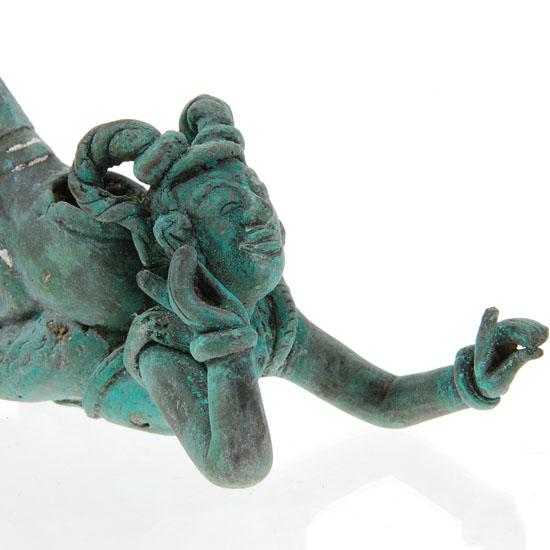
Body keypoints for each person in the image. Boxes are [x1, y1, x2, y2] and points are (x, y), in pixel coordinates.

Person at [0, 80, 547, 488]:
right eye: (228, 208)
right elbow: (239, 468)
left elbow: (381, 398)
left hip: (25, 327)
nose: (259, 218)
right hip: (35, 335)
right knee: (17, 163)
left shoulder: (268, 316)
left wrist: (469, 384)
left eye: (257, 196)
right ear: (179, 236)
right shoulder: (165, 339)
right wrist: (224, 337)